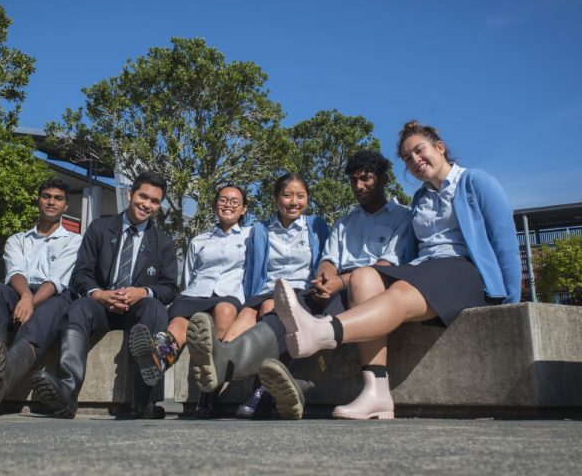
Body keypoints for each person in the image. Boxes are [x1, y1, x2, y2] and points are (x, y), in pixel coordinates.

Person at [271, 120, 521, 420]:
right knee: (364, 276)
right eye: (407, 157)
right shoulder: (421, 199)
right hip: (425, 268)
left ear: (439, 148)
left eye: (420, 150)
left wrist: (511, 303)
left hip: (463, 270)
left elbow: (505, 243)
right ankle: (375, 393)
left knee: (402, 291)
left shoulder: (476, 182)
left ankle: (322, 332)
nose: (415, 160)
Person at [258, 149, 411, 418]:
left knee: (337, 304)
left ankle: (298, 384)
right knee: (287, 308)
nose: (358, 186)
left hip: (372, 288)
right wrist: (325, 277)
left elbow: (388, 267)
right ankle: (232, 357)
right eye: (353, 180)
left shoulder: (403, 216)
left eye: (366, 179)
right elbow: (329, 257)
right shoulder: (344, 222)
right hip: (337, 284)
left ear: (385, 179)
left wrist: (339, 282)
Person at [30, 170, 178, 419]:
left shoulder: (163, 242)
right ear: (130, 194)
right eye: (143, 196)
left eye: (154, 201)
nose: (147, 205)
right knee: (79, 308)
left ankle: (144, 402)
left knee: (153, 308)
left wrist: (142, 292)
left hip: (137, 308)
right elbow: (80, 275)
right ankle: (66, 393)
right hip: (101, 305)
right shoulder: (99, 228)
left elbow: (169, 287)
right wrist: (99, 294)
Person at [187, 173, 329, 419]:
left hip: (301, 291)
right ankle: (213, 382)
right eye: (287, 195)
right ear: (276, 199)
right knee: (245, 317)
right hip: (265, 291)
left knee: (271, 309)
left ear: (307, 199)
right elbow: (253, 267)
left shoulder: (316, 226)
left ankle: (260, 391)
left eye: (300, 196)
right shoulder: (261, 230)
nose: (293, 201)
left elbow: (325, 261)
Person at [0, 177, 82, 414]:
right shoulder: (17, 239)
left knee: (55, 306)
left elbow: (56, 280)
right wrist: (25, 298)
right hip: (21, 293)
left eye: (58, 198)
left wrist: (31, 302)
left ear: (65, 206)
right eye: (46, 197)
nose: (51, 202)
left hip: (53, 296)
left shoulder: (74, 241)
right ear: (38, 201)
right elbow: (15, 272)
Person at [128, 185, 251, 418]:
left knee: (224, 311)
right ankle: (157, 361)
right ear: (215, 205)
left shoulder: (252, 237)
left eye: (235, 202)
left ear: (244, 209)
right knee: (179, 326)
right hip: (196, 293)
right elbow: (189, 276)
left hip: (228, 294)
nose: (227, 205)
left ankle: (209, 393)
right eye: (223, 200)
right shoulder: (199, 240)